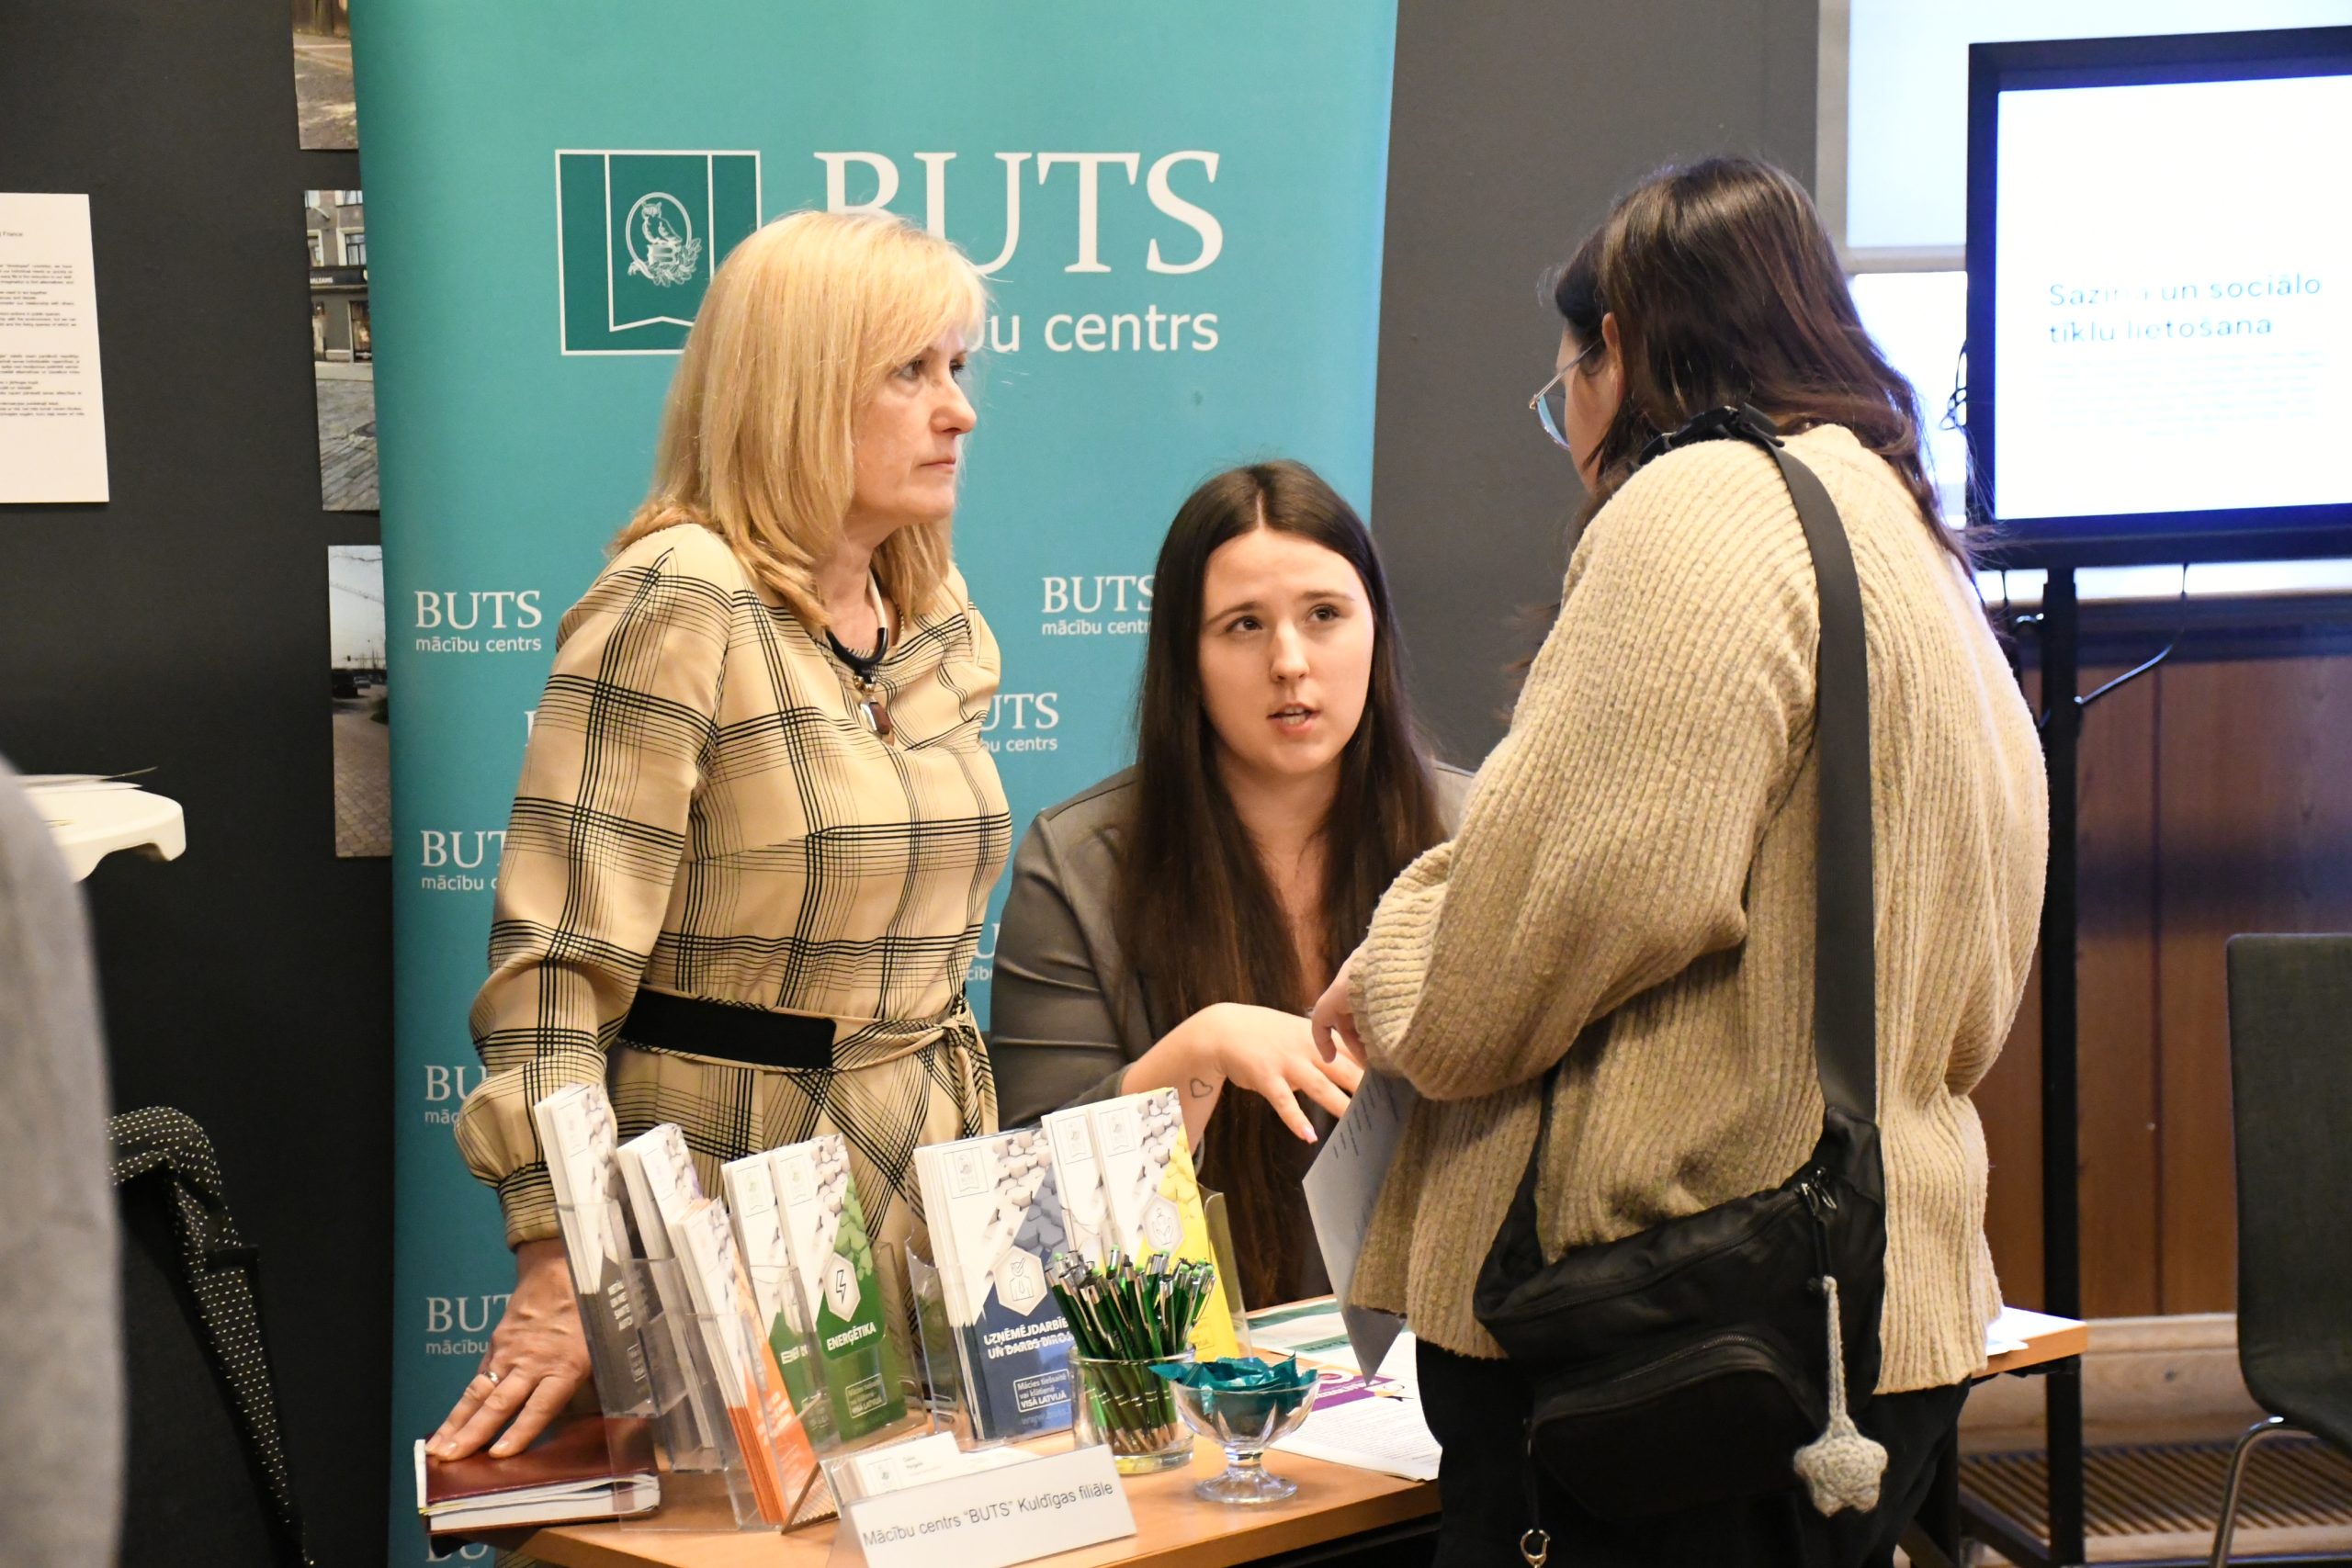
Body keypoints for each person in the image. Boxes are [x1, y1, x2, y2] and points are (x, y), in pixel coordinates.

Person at [1309, 157, 2048, 1567]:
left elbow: (1527, 937)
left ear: (1621, 348)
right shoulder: (1905, 533)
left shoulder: (1702, 507)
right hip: (1864, 1310)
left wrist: (1391, 964)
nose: (1571, 438)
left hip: (1664, 1340)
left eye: (1565, 392)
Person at [428, 210, 1009, 1464]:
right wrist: (558, 1260)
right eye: (909, 371)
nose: (958, 411)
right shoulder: (680, 593)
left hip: (934, 1179)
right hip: (731, 1185)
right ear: (796, 386)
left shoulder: (931, 608)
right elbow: (552, 973)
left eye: (957, 367)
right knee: (748, 1535)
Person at [989, 460, 1467, 1308]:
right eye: (1244, 625)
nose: (1290, 661)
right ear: (1187, 659)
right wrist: (1196, 1054)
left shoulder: (1475, 838)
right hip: (1186, 1362)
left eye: (1324, 615)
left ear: (1376, 629)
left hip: (1440, 1350)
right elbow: (1029, 1233)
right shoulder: (1079, 865)